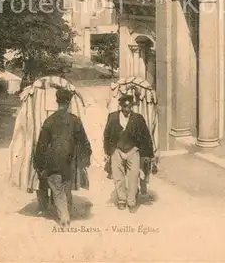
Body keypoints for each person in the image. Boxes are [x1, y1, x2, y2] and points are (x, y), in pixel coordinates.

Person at [33, 87, 92, 227]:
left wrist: (38, 165)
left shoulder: (49, 121)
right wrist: (86, 158)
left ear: (57, 102)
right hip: (69, 162)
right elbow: (84, 141)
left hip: (52, 162)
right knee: (66, 187)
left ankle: (64, 217)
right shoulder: (75, 120)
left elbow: (41, 146)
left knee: (58, 189)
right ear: (69, 103)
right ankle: (66, 212)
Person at [103, 92, 154, 213]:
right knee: (118, 176)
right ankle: (121, 199)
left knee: (133, 176)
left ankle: (131, 201)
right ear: (120, 106)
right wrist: (107, 151)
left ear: (132, 106)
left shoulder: (138, 118)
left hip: (133, 150)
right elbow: (107, 135)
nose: (127, 109)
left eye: (129, 107)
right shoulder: (112, 117)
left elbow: (146, 136)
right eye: (125, 107)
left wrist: (148, 154)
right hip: (117, 150)